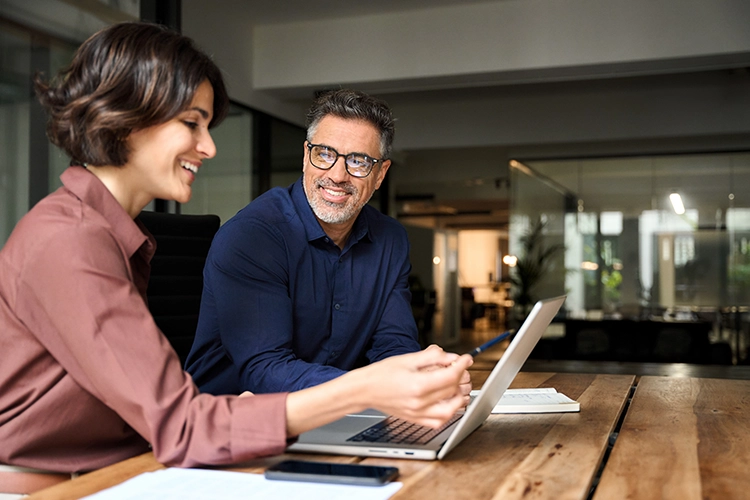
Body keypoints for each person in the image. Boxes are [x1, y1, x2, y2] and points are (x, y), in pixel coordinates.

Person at [0, 22, 473, 480]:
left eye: (207, 126)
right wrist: (365, 389)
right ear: (125, 121)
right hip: (61, 481)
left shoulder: (113, 233)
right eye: (192, 123)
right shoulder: (71, 240)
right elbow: (182, 423)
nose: (208, 147)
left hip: (138, 461)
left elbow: (165, 415)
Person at [185, 89, 471, 397]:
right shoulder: (253, 236)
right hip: (234, 421)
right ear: (306, 156)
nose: (336, 175)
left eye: (359, 161)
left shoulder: (390, 240)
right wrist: (377, 387)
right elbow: (265, 372)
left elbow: (393, 344)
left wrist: (422, 376)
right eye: (324, 154)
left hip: (340, 414)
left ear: (380, 174)